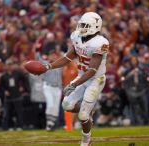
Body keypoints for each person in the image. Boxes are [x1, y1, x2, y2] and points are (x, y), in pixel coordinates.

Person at [33, 12, 109, 146]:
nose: (82, 28)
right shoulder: (77, 37)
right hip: (82, 77)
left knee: (82, 116)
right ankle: (87, 110)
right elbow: (68, 57)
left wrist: (75, 84)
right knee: (66, 105)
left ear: (95, 26)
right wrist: (48, 66)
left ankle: (86, 140)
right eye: (82, 25)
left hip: (95, 80)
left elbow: (92, 70)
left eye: (85, 25)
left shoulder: (100, 43)